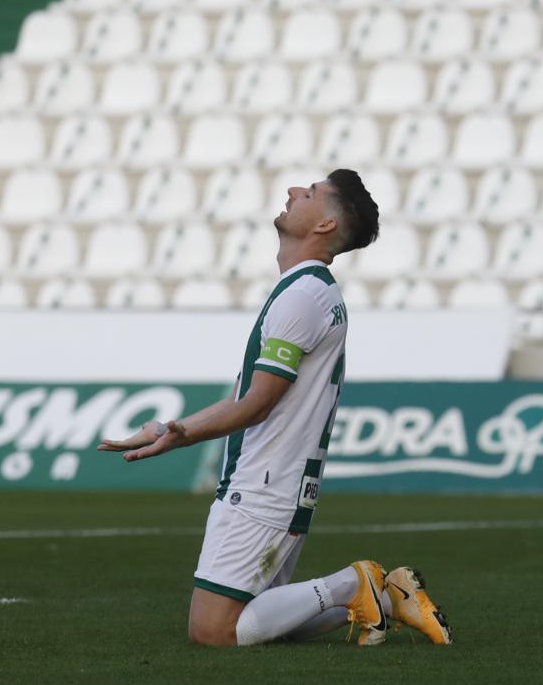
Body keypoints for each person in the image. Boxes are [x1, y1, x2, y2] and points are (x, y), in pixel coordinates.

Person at [99, 170, 452, 647]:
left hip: (265, 484)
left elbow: (258, 404)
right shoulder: (309, 291)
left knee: (215, 630)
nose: (291, 192)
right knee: (253, 620)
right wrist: (171, 428)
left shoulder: (302, 296)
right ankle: (388, 601)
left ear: (324, 225)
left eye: (307, 194)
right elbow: (249, 396)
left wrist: (179, 433)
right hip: (279, 481)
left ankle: (357, 583)